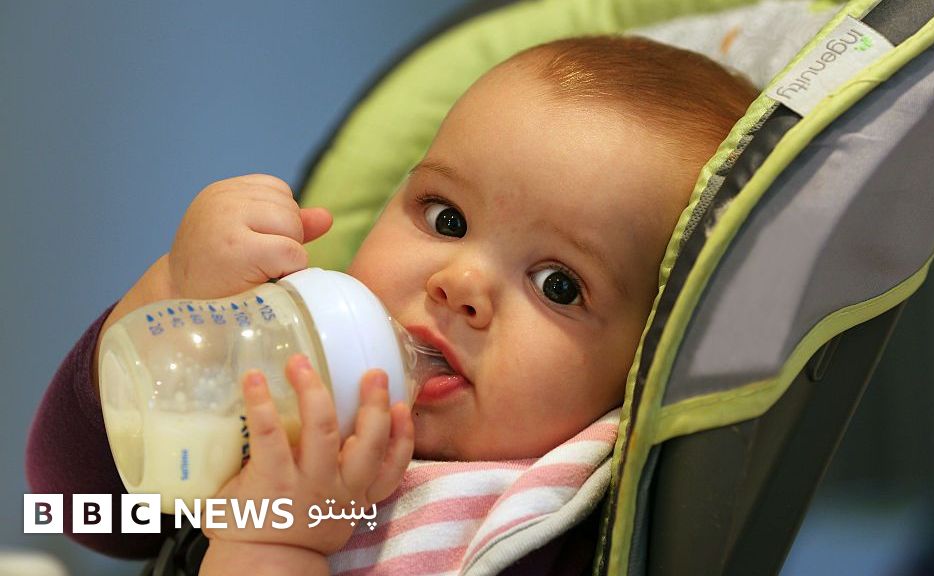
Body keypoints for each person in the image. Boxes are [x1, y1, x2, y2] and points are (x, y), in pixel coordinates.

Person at [26, 35, 757, 575]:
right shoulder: (293, 393)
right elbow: (82, 506)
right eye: (446, 218)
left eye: (558, 284)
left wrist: (272, 546)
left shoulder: (538, 530)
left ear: (644, 361)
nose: (459, 282)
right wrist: (171, 295)